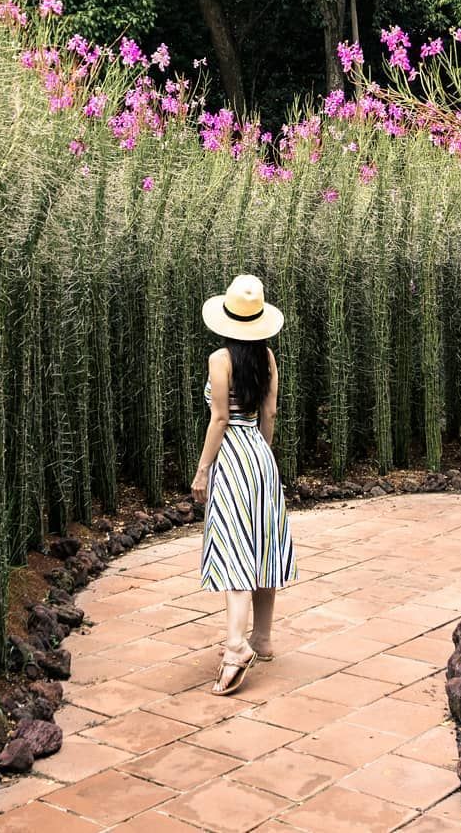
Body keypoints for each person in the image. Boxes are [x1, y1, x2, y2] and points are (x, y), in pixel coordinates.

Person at [191, 274, 298, 695]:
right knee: (263, 544)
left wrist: (203, 469)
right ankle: (264, 638)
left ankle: (236, 647)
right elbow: (268, 416)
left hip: (232, 453)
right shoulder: (268, 358)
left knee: (235, 546)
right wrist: (264, 457)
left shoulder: (220, 359)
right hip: (259, 452)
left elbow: (219, 419)